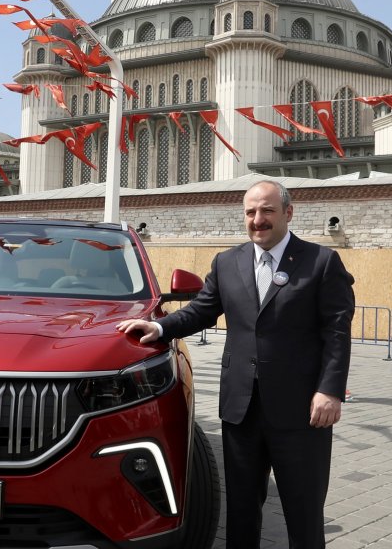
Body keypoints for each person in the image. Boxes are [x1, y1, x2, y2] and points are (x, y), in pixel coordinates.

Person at [117, 180, 355, 549]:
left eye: (267, 211)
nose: (258, 219)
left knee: (304, 513)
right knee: (241, 511)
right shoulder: (228, 262)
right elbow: (202, 310)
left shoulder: (321, 262)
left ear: (288, 213)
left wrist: (330, 390)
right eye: (250, 212)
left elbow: (336, 331)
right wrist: (160, 326)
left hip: (302, 413)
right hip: (241, 410)